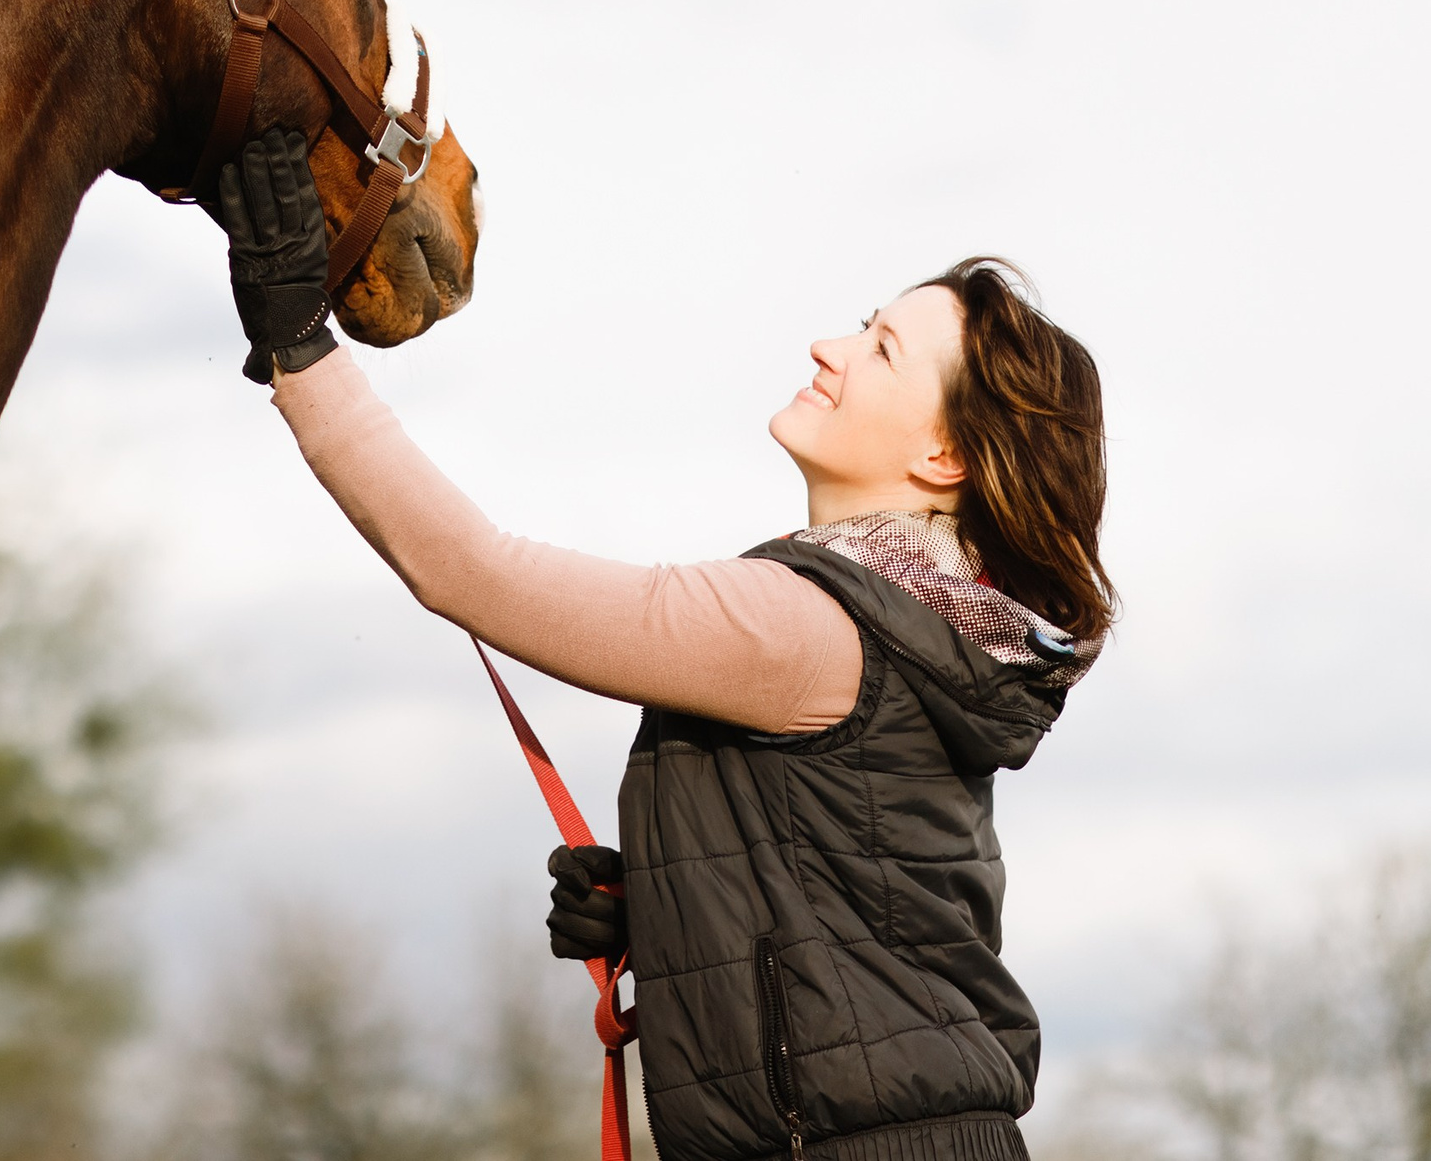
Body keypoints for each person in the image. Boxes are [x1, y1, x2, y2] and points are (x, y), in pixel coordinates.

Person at [214, 130, 1115, 1161]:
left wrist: (299, 348)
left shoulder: (812, 624)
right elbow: (864, 892)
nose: (829, 346)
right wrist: (674, 909)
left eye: (879, 351)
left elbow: (470, 572)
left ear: (944, 453)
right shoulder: (908, 626)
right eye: (864, 326)